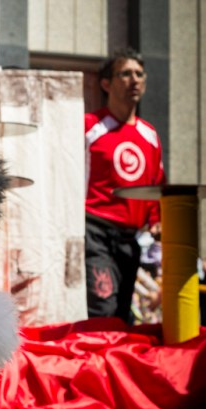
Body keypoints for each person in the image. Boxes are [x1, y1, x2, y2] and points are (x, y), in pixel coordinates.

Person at [84, 48, 166, 323]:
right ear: (107, 83)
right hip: (95, 232)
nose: (134, 80)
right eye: (126, 73)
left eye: (139, 74)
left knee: (121, 315)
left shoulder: (150, 135)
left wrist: (157, 220)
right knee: (102, 309)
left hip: (131, 239)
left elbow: (157, 183)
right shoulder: (89, 127)